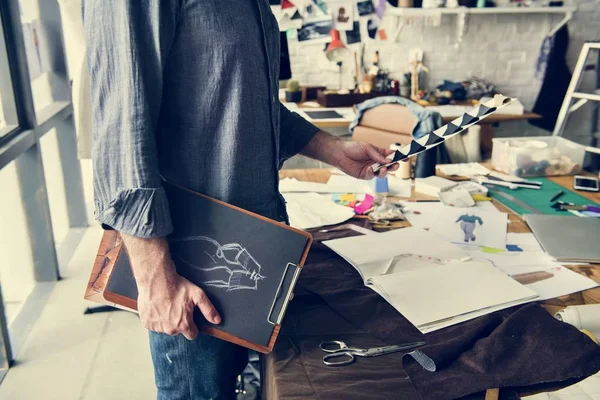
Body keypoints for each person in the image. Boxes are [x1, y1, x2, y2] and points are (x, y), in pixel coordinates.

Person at [83, 1, 397, 399]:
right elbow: (122, 130)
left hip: (250, 251)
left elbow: (246, 103)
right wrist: (154, 279)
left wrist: (333, 149)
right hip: (188, 263)